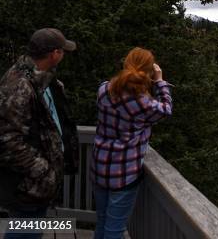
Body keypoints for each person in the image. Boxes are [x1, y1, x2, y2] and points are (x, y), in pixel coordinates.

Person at [0, 28, 79, 239]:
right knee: (24, 232)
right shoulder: (19, 85)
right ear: (54, 53)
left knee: (30, 230)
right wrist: (42, 170)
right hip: (28, 183)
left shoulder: (41, 80)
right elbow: (8, 139)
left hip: (38, 184)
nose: (63, 55)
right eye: (62, 51)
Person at [90, 47, 172, 239]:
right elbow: (166, 109)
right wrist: (159, 82)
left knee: (101, 222)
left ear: (126, 64)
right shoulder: (143, 103)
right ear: (149, 71)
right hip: (124, 173)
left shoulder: (103, 89)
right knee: (115, 230)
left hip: (100, 167)